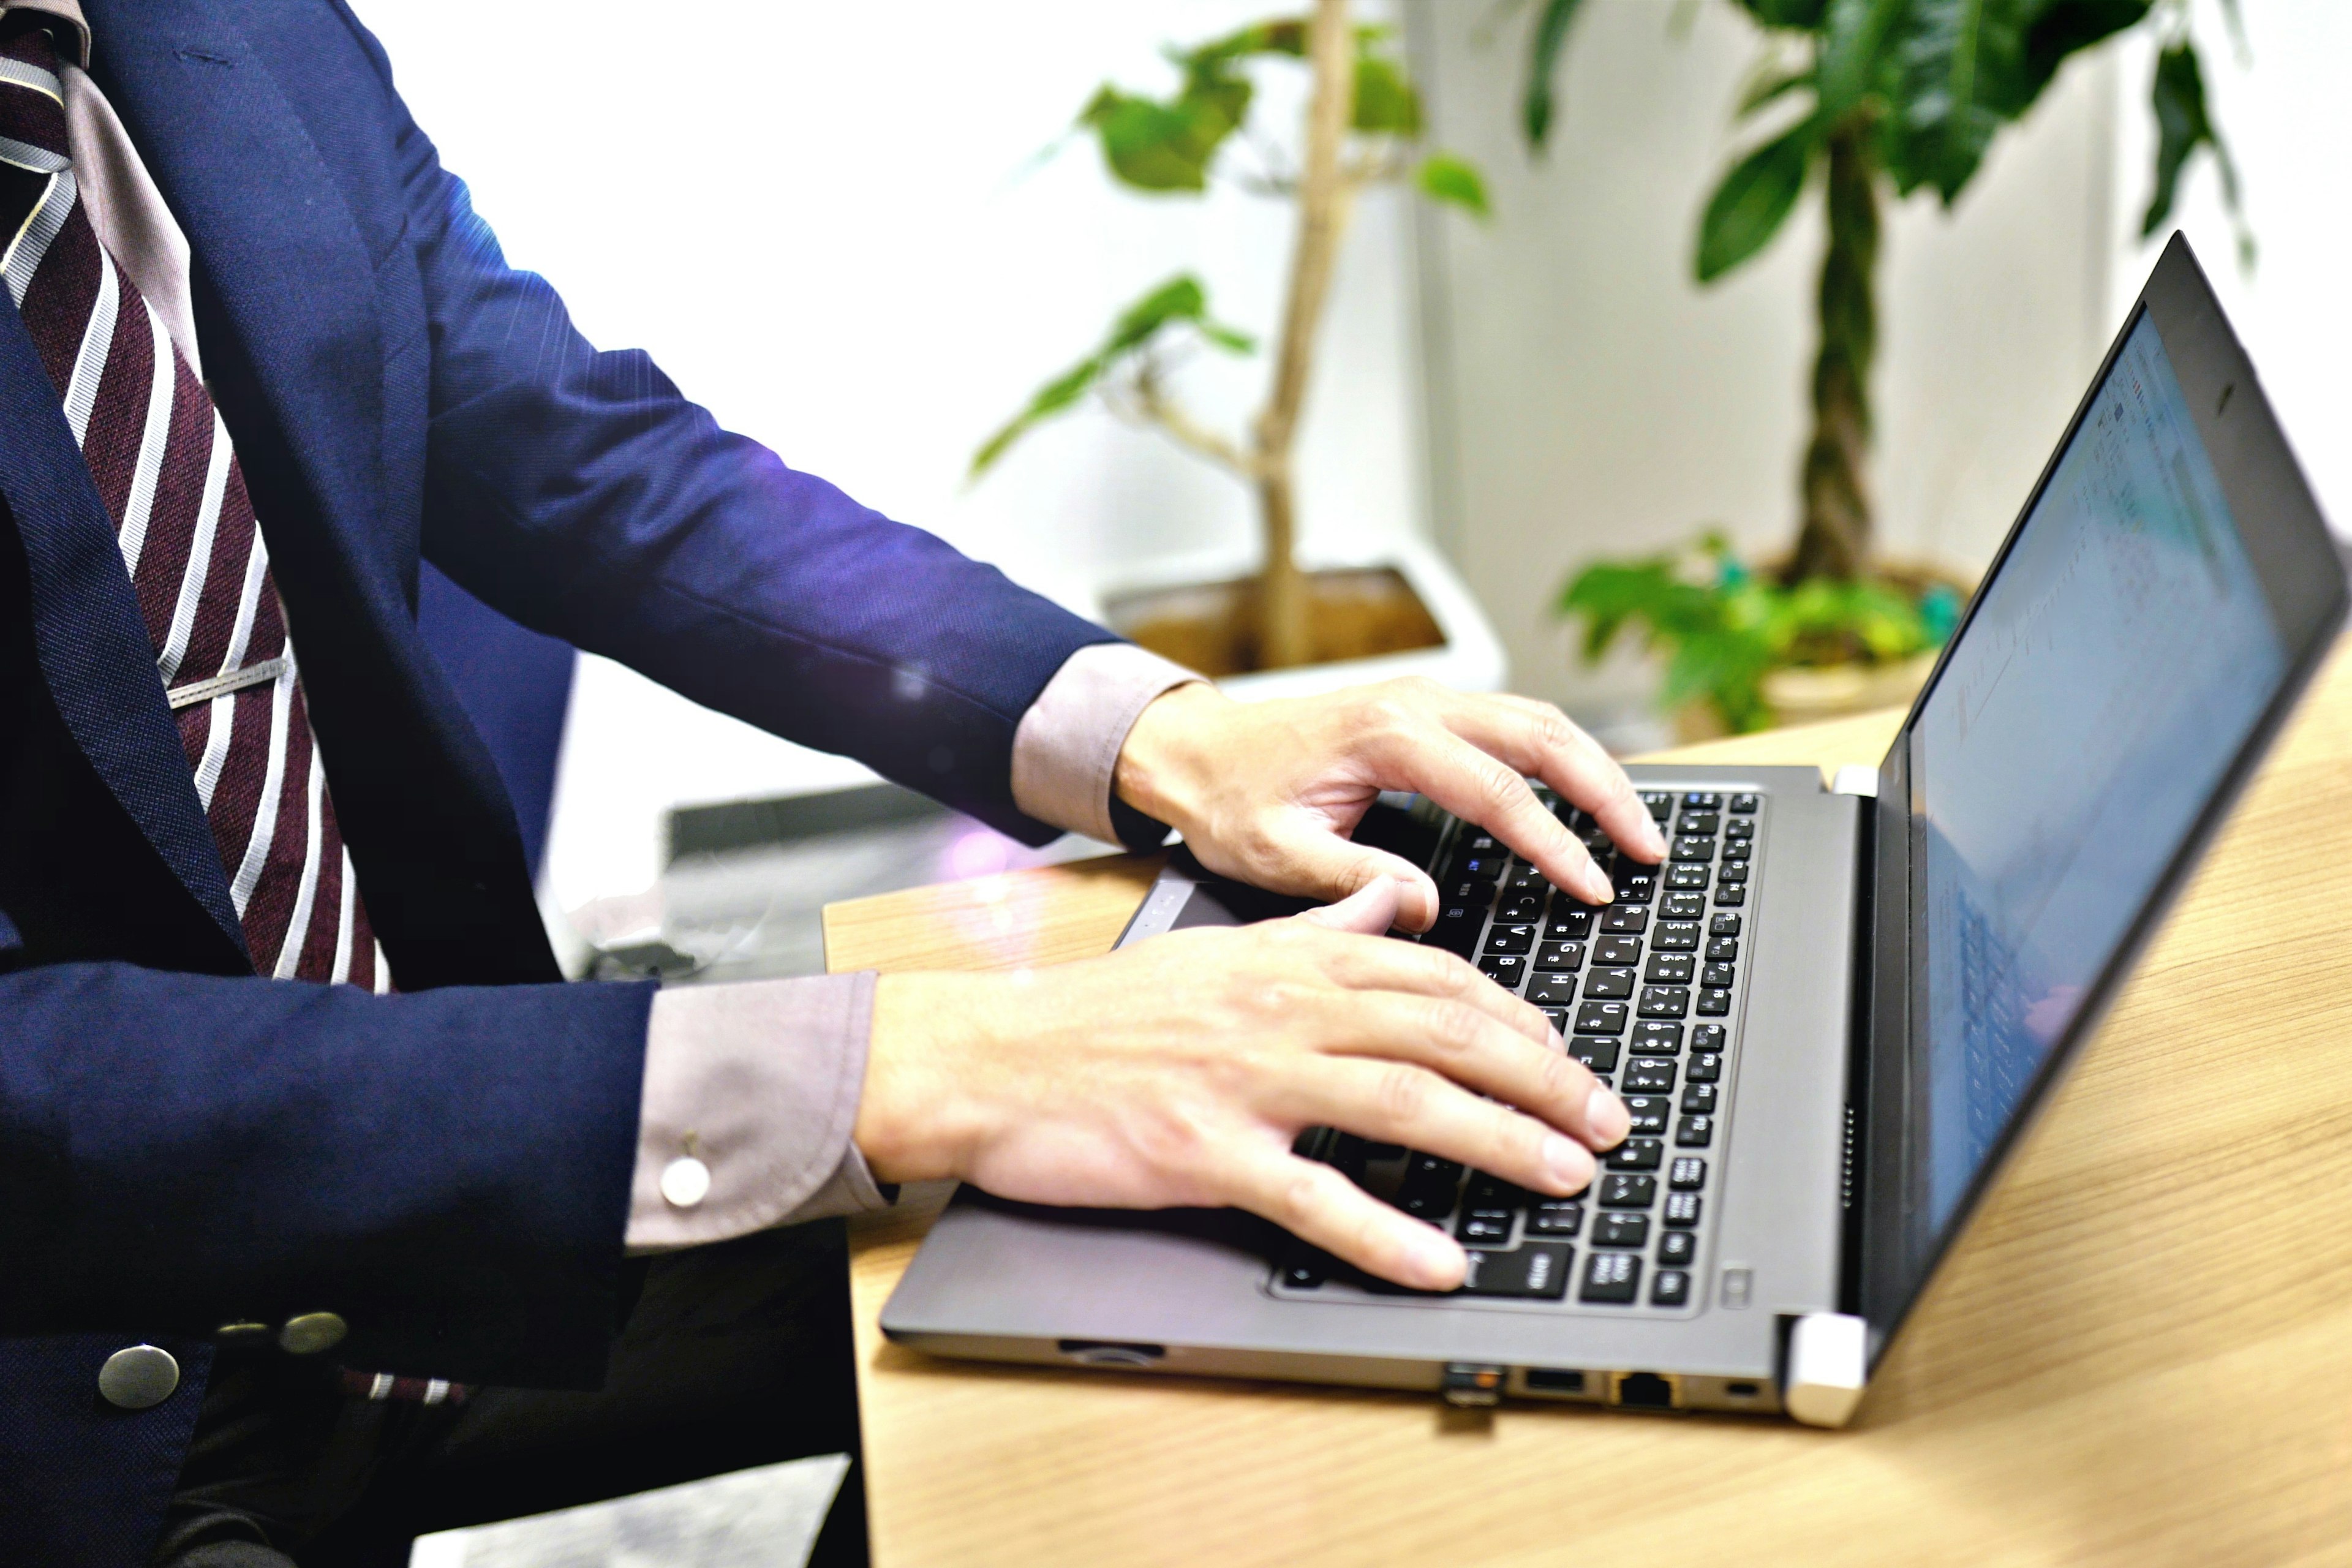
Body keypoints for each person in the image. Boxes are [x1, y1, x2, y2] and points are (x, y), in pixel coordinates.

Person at [0, 2, 1658, 1562]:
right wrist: (893, 1058)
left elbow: (579, 454)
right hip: (76, 1396)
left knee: (1177, 1271)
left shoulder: (218, 33)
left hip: (438, 1161)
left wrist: (1149, 729)